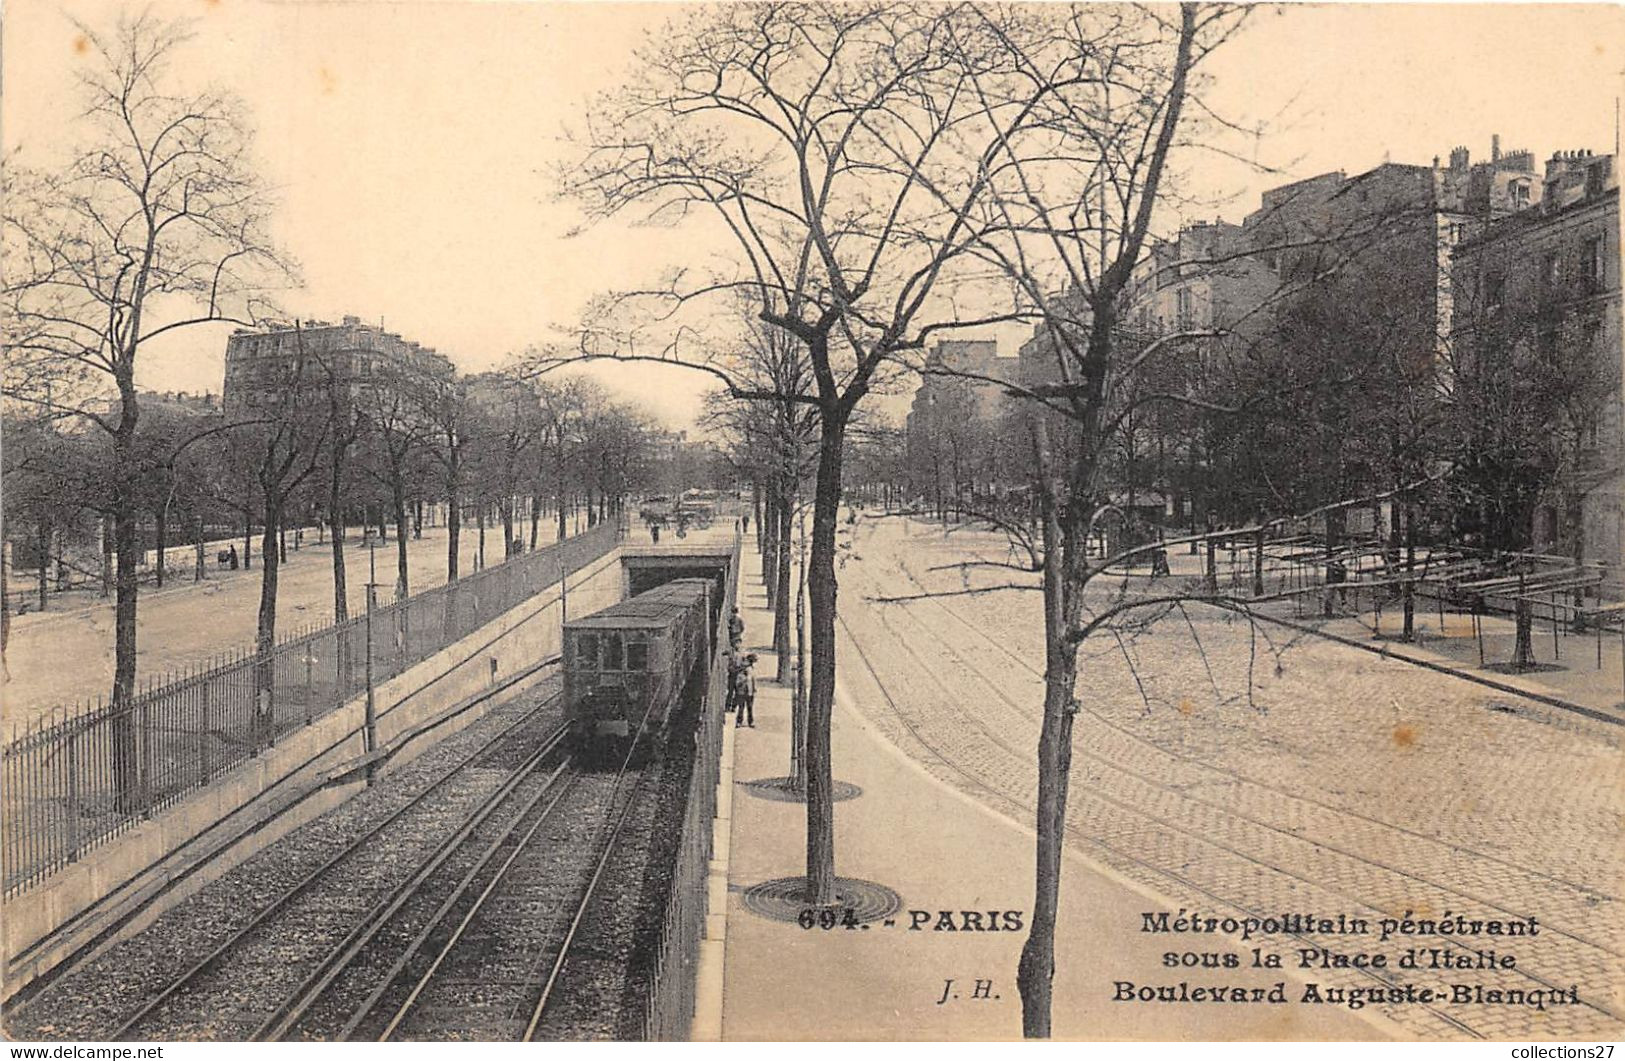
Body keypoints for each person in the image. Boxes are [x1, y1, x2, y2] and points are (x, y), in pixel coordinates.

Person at [733, 654, 757, 728]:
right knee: (741, 707)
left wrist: (754, 689)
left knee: (750, 707)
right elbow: (737, 682)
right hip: (742, 691)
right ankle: (739, 721)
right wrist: (743, 680)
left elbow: (753, 679)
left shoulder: (752, 669)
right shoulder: (742, 670)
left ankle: (751, 721)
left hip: (749, 691)